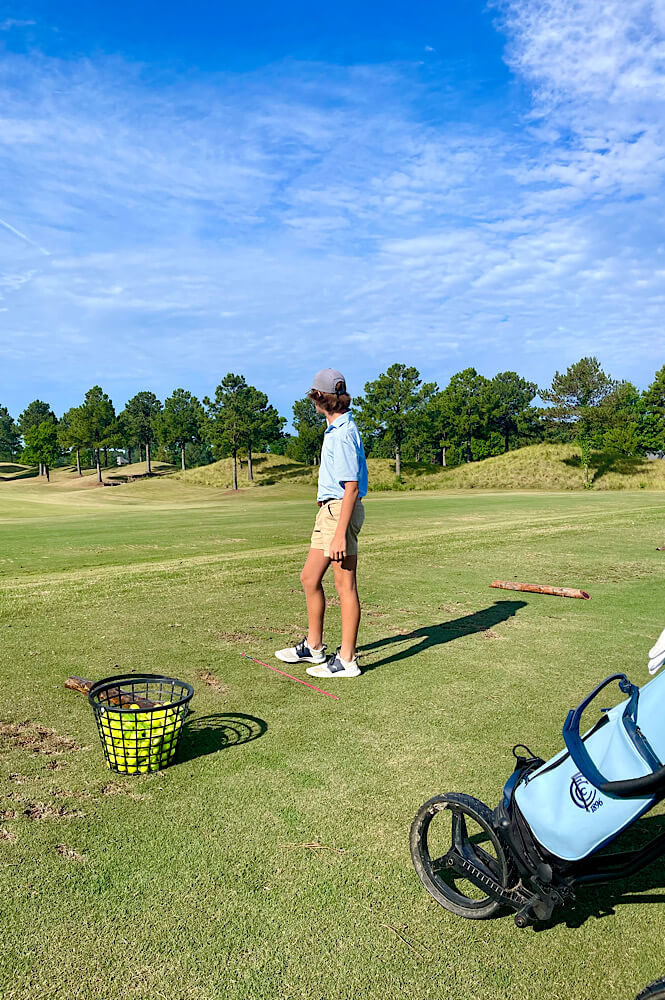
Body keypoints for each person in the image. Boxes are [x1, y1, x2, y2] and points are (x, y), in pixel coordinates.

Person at [275, 368, 368, 678]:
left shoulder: (342, 433)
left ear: (320, 398)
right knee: (309, 577)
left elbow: (351, 487)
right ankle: (314, 647)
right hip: (331, 511)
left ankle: (346, 660)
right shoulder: (339, 428)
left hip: (340, 513)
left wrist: (339, 534)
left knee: (344, 586)